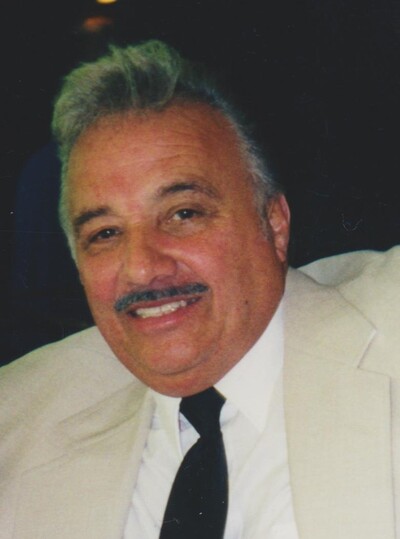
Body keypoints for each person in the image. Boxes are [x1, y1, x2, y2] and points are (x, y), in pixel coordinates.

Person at [0, 40, 399, 539]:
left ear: (274, 224)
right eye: (105, 234)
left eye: (183, 213)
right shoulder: (18, 422)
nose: (141, 268)